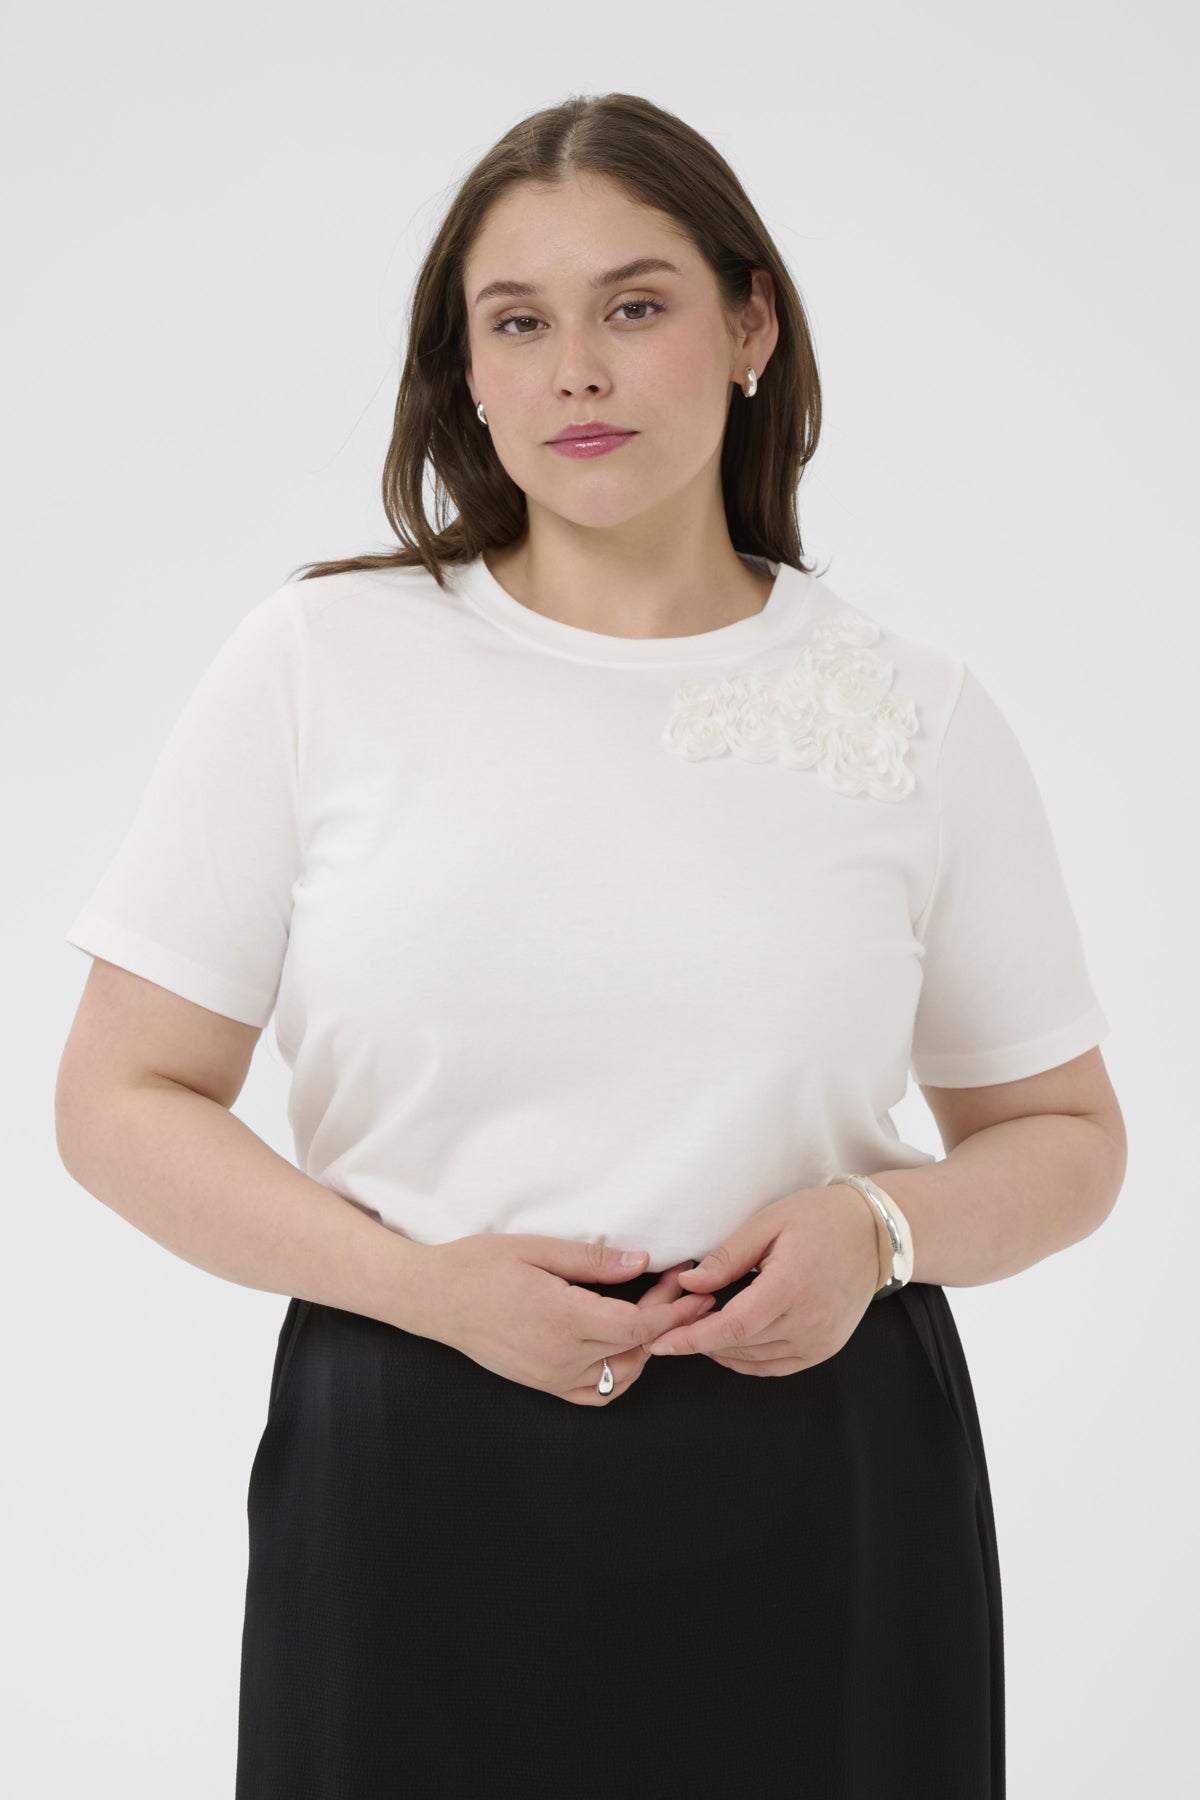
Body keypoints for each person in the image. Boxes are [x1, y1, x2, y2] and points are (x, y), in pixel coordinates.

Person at [55, 91, 1126, 1799]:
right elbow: (118, 1098)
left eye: (635, 305)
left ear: (751, 326)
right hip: (413, 1463)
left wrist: (876, 1231)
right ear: (467, 371)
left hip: (829, 1481)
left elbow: (1068, 1138)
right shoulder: (321, 663)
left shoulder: (913, 712)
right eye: (519, 322)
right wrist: (424, 1290)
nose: (577, 371)